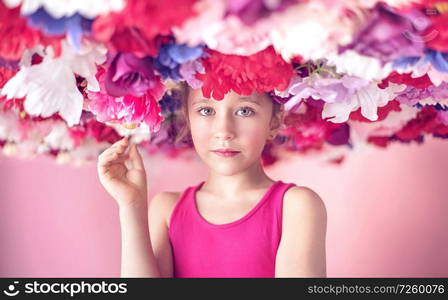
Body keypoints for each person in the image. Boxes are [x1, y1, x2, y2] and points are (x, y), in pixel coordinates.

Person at [97, 83, 327, 278]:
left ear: (274, 122)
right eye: (206, 111)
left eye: (245, 111)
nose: (224, 131)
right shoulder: (167, 209)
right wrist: (131, 206)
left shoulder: (296, 206)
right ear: (188, 118)